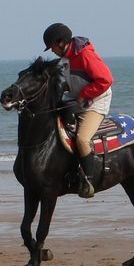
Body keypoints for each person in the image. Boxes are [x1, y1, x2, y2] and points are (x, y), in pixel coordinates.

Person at [43, 22, 113, 198]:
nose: (51, 51)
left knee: (82, 139)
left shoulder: (85, 55)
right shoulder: (65, 58)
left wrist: (84, 95)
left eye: (52, 47)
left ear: (61, 42)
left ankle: (89, 181)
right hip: (77, 99)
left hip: (97, 101)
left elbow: (105, 80)